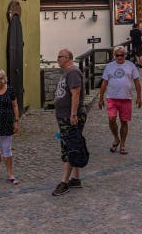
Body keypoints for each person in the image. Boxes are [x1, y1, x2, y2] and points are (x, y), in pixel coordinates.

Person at [52, 49, 87, 196]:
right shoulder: (67, 72)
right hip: (64, 115)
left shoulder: (72, 72)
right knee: (73, 144)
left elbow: (76, 94)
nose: (57, 59)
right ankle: (75, 178)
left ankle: (64, 182)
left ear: (67, 58)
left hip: (70, 116)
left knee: (69, 147)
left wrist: (73, 114)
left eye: (59, 56)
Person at [99, 46, 142, 155]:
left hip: (126, 98)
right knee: (112, 119)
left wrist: (139, 97)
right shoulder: (109, 66)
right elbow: (104, 82)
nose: (119, 57)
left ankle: (122, 144)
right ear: (114, 56)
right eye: (117, 55)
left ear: (125, 55)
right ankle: (116, 138)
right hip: (112, 98)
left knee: (124, 121)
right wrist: (100, 98)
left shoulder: (131, 65)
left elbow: (137, 81)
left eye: (121, 55)